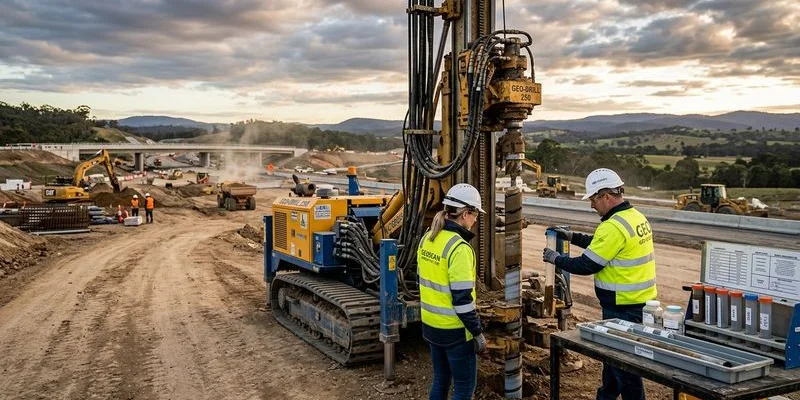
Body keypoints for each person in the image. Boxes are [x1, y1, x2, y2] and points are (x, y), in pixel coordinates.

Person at [542, 168, 656, 400]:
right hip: (638, 303)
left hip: (623, 308)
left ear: (606, 196)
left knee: (624, 368)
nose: (592, 205)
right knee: (613, 362)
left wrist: (555, 258)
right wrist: (573, 236)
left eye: (594, 199)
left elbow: (588, 264)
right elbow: (600, 245)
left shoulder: (613, 226)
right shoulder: (634, 217)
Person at [417, 183, 487, 400]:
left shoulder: (428, 238)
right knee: (464, 389)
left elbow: (422, 279)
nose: (476, 220)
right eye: (475, 214)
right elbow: (463, 300)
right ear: (465, 213)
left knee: (440, 380)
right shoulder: (460, 248)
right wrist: (477, 332)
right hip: (455, 332)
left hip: (430, 327)